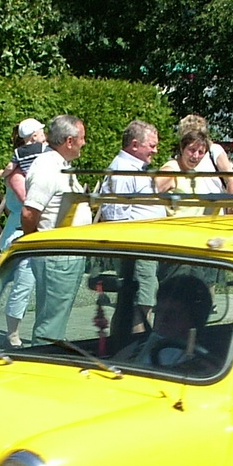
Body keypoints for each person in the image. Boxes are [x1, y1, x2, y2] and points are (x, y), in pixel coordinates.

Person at [21, 115, 89, 341]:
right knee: (50, 324)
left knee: (55, 320)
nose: (84, 143)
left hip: (65, 256)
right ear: (69, 141)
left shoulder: (59, 165)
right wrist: (35, 244)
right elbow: (30, 211)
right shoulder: (47, 167)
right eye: (82, 138)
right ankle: (41, 361)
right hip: (56, 257)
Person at [98, 120, 165, 330]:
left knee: (136, 304)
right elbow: (115, 218)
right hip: (136, 249)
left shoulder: (134, 168)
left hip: (143, 247)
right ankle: (136, 349)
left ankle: (124, 344)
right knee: (141, 305)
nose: (156, 150)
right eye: (152, 145)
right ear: (135, 145)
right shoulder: (123, 171)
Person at [0, 117, 47, 344]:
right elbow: (29, 203)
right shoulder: (17, 173)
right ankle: (12, 335)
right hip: (20, 232)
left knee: (42, 284)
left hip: (40, 230)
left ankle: (42, 334)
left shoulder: (39, 163)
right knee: (24, 284)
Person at [115, 273, 216, 371]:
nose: (163, 319)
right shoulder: (142, 345)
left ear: (194, 318)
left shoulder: (203, 364)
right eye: (159, 311)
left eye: (172, 314)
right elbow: (113, 366)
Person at [155, 127, 226, 212]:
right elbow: (145, 200)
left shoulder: (195, 173)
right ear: (182, 149)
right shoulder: (170, 172)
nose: (195, 156)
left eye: (200, 152)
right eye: (192, 150)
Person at [175, 113, 233, 195]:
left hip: (216, 205)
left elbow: (231, 178)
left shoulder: (214, 150)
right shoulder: (182, 157)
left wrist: (232, 205)